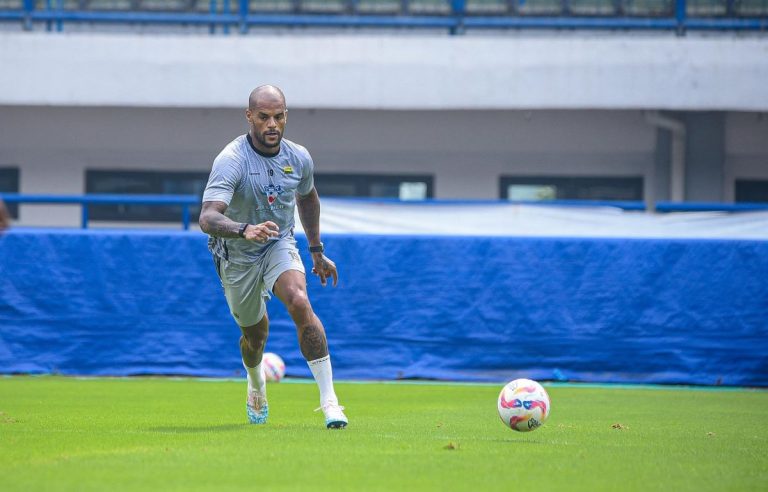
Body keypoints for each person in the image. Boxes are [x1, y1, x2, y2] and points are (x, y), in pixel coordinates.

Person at [199, 85, 348, 429]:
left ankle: (330, 403)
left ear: (286, 116)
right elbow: (207, 217)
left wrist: (316, 249)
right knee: (256, 336)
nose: (272, 124)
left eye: (279, 116)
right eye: (264, 117)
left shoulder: (298, 158)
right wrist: (243, 229)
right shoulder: (231, 160)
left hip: (279, 243)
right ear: (249, 116)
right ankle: (256, 384)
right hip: (236, 256)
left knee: (298, 301)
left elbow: (307, 198)